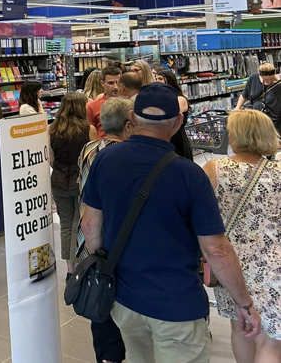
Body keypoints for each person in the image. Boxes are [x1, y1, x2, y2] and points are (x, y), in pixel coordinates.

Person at [81, 83, 261, 363]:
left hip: (125, 299)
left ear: (132, 119)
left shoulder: (105, 159)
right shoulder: (191, 175)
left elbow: (90, 226)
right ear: (178, 122)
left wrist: (103, 261)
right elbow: (215, 250)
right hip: (176, 305)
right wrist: (244, 302)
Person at [202, 110, 281, 363]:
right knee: (271, 338)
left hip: (228, 263)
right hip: (273, 264)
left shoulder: (214, 168)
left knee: (241, 327)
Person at [75, 97, 135, 363]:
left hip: (89, 240)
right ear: (128, 125)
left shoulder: (89, 148)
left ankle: (108, 356)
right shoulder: (128, 155)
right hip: (117, 240)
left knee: (100, 302)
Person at [48, 92, 97, 276]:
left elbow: (50, 160)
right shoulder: (88, 129)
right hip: (80, 182)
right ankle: (77, 266)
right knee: (79, 223)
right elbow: (93, 157)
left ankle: (69, 269)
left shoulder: (52, 129)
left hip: (59, 181)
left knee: (66, 224)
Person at [235, 62, 281, 135]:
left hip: (274, 122)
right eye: (266, 79)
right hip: (257, 117)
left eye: (271, 79)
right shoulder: (253, 78)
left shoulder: (279, 85)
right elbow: (244, 95)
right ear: (260, 75)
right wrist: (237, 107)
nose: (269, 82)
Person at [157, 70, 193, 160]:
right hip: (163, 138)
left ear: (170, 81)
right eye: (156, 78)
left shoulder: (180, 99)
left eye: (160, 79)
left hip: (177, 138)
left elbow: (173, 113)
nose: (157, 81)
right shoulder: (159, 98)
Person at [86, 66, 122, 139]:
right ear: (102, 83)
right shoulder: (92, 106)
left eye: (118, 83)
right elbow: (89, 132)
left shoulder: (129, 104)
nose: (115, 87)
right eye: (111, 83)